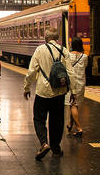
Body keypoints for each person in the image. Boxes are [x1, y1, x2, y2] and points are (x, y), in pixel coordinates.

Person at [23, 27, 76, 160]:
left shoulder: (40, 50)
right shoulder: (64, 51)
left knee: (39, 118)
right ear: (57, 38)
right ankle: (56, 148)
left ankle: (44, 143)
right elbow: (70, 73)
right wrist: (73, 92)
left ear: (46, 38)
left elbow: (32, 72)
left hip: (43, 91)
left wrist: (27, 87)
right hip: (60, 91)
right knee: (57, 120)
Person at [66, 37, 87, 137]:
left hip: (71, 83)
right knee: (74, 104)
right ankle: (70, 123)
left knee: (73, 104)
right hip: (80, 83)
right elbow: (85, 67)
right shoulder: (84, 57)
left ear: (72, 45)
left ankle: (79, 128)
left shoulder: (68, 56)